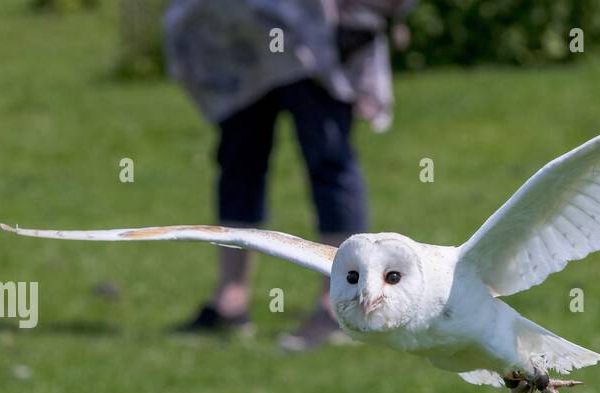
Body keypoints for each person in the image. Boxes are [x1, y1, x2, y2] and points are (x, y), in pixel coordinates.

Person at [164, 0, 415, 350]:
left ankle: (339, 305)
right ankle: (230, 301)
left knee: (329, 160)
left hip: (313, 36)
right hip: (240, 39)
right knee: (239, 163)